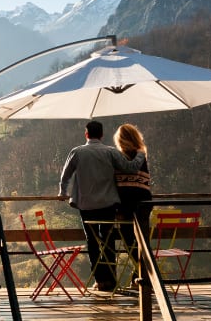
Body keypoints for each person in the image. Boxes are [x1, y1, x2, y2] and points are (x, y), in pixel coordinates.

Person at [58, 120, 147, 292]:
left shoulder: (77, 152)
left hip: (85, 204)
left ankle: (100, 280)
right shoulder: (110, 152)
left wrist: (63, 192)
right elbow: (130, 168)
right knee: (107, 240)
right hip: (108, 204)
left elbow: (65, 176)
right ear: (102, 135)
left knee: (92, 241)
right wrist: (140, 154)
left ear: (86, 134)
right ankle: (111, 280)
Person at [113, 123, 152, 280]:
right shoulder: (141, 155)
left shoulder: (118, 157)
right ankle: (142, 274)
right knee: (142, 239)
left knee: (128, 238)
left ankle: (144, 273)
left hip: (125, 203)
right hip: (144, 201)